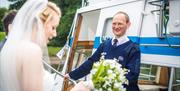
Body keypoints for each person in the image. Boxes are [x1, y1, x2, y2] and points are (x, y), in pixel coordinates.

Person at [65, 11, 141, 91]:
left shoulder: (134, 49)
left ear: (128, 25)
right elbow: (91, 62)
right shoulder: (104, 45)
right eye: (114, 23)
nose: (116, 26)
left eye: (120, 24)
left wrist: (99, 83)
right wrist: (71, 75)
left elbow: (132, 75)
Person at [0, 0, 61, 91]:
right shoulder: (32, 50)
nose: (55, 33)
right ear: (40, 23)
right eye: (53, 27)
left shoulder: (10, 49)